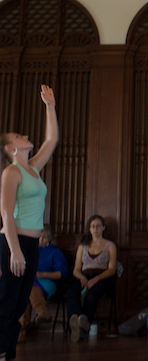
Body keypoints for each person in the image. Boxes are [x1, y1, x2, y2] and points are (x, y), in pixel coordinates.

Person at [0, 85, 58, 361]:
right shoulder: (11, 172)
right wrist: (15, 250)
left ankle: (8, 354)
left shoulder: (32, 167)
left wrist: (50, 107)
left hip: (32, 244)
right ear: (11, 148)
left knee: (21, 303)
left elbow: (52, 140)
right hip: (14, 243)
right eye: (18, 136)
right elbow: (6, 212)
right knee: (7, 304)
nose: (25, 135)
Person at [66, 214, 117, 343]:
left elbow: (111, 269)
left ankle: (83, 328)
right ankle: (79, 322)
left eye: (98, 226)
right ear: (89, 229)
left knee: (91, 295)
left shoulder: (110, 246)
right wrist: (82, 278)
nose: (95, 229)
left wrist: (97, 279)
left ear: (103, 228)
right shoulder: (83, 246)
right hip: (84, 276)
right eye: (93, 226)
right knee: (72, 292)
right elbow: (76, 269)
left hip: (102, 278)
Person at [18, 224, 69, 342]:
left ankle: (21, 331)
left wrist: (42, 274)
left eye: (44, 238)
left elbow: (63, 273)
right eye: (39, 237)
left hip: (48, 282)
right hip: (29, 282)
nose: (41, 240)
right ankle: (42, 313)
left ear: (49, 238)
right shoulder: (30, 251)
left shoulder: (55, 252)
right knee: (24, 291)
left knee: (26, 290)